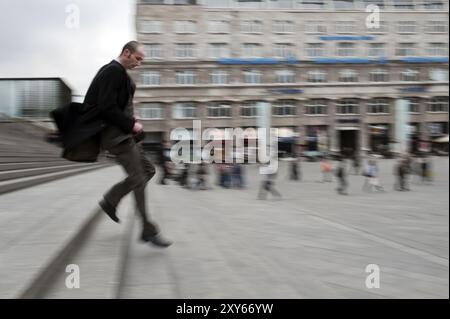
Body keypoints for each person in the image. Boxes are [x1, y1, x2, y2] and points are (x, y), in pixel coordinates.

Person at [85, 41, 172, 248]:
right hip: (115, 137)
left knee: (148, 170)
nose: (139, 64)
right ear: (126, 52)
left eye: (142, 60)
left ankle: (111, 200)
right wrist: (130, 123)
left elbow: (116, 105)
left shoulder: (119, 74)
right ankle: (147, 230)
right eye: (138, 59)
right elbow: (105, 108)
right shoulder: (111, 71)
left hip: (123, 135)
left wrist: (131, 120)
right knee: (138, 178)